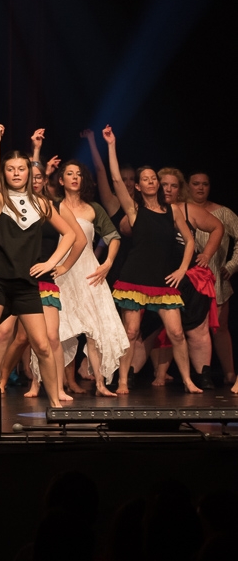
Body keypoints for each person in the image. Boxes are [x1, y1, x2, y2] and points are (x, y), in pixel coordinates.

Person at [0, 125, 79, 407]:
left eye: (21, 169)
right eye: (10, 169)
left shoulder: (42, 203)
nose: (16, 173)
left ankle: (55, 403)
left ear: (29, 172)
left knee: (42, 345)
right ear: (5, 173)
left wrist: (51, 263)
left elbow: (70, 235)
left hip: (26, 284)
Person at [98, 128, 203, 394]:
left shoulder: (173, 210)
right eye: (145, 179)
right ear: (138, 186)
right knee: (131, 332)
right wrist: (111, 145)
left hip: (163, 280)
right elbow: (115, 179)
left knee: (176, 333)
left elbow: (190, 241)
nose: (151, 182)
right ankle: (123, 381)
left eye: (154, 178)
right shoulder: (134, 210)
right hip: (135, 278)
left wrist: (182, 269)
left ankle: (188, 381)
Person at [52, 160, 130, 395]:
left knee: (94, 330)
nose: (75, 177)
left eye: (79, 174)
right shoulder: (54, 205)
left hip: (88, 271)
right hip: (61, 271)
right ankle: (55, 386)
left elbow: (113, 236)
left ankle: (100, 384)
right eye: (69, 173)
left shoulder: (93, 207)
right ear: (61, 180)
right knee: (60, 330)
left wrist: (108, 263)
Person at [158, 169, 226, 389]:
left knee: (197, 328)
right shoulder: (148, 209)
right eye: (164, 184)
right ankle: (129, 376)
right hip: (157, 278)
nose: (168, 189)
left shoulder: (189, 209)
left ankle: (203, 376)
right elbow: (124, 227)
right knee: (145, 329)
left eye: (173, 185)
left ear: (180, 189)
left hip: (188, 278)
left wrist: (206, 254)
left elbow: (218, 227)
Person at [188, 171, 238, 386]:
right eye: (196, 184)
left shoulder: (224, 213)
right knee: (184, 328)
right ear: (188, 186)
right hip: (188, 279)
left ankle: (229, 373)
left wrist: (232, 265)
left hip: (216, 277)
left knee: (219, 328)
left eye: (205, 184)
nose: (200, 188)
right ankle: (186, 375)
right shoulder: (182, 210)